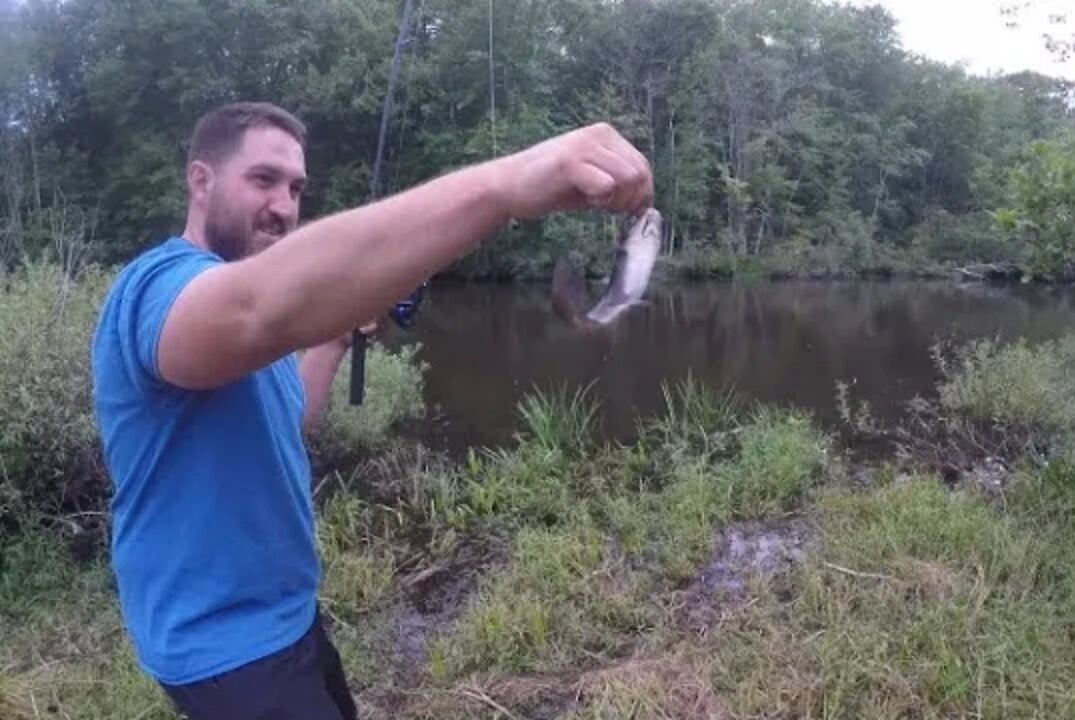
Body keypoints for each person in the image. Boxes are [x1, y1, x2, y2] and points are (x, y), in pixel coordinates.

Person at [90, 101, 653, 720]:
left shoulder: (247, 310)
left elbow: (288, 419)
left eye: (296, 187)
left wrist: (330, 339)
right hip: (222, 646)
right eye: (262, 180)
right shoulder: (157, 287)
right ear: (201, 180)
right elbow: (256, 310)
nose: (283, 205)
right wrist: (503, 188)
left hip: (283, 617)